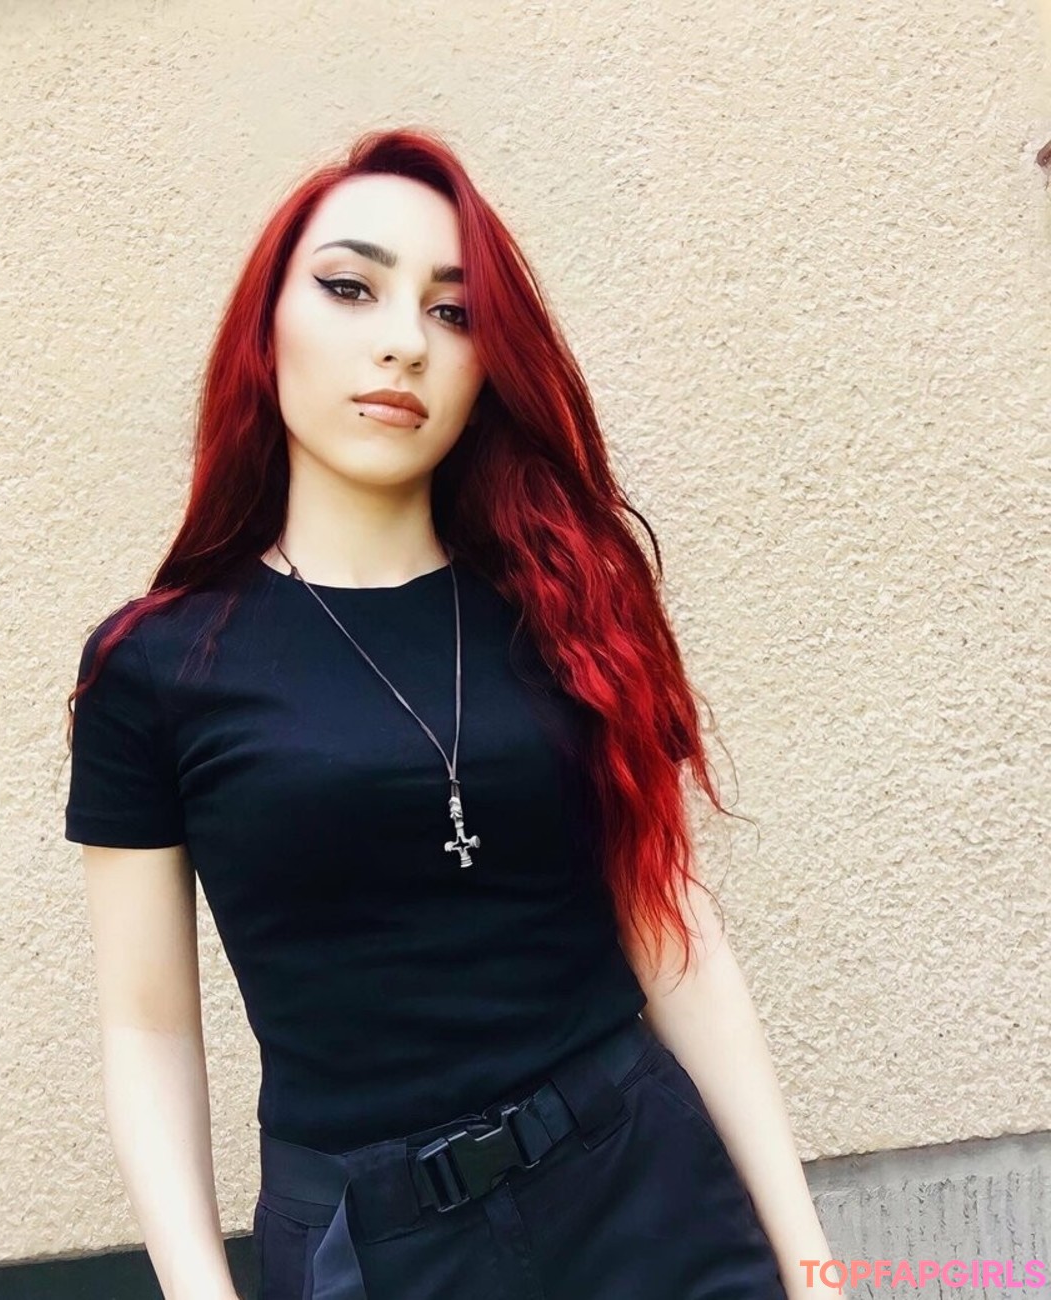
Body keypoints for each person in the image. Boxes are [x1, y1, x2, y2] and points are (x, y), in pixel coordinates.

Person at [64, 127, 841, 1300]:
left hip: (645, 1199)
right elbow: (147, 1031)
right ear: (265, 330)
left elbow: (672, 926)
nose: (403, 342)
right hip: (372, 1248)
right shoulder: (156, 665)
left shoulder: (570, 605)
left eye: (453, 311)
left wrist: (814, 1264)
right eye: (350, 288)